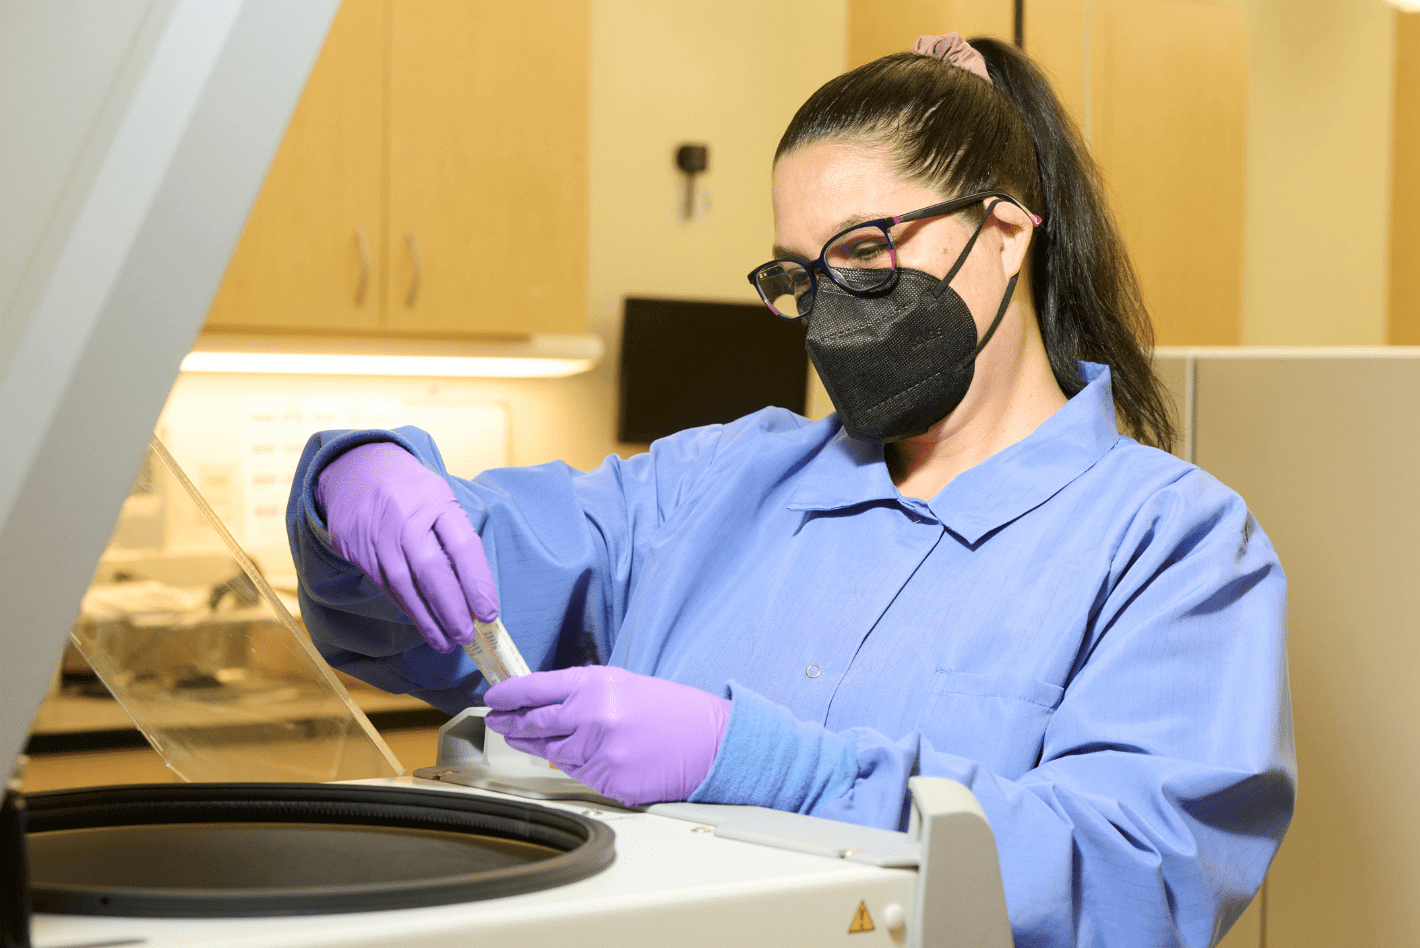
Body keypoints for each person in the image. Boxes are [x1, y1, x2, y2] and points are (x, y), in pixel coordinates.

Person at [288, 33, 1294, 947]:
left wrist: (763, 766)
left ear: (1004, 230)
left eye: (865, 250)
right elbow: (427, 601)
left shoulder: (1172, 542)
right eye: (800, 278)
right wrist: (355, 479)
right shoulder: (717, 481)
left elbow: (1136, 880)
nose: (830, 309)